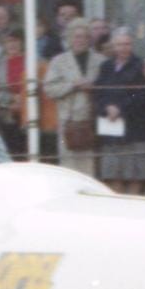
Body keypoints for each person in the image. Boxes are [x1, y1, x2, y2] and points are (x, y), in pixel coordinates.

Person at [92, 27, 145, 195]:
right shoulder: (106, 66)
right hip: (111, 129)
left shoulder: (140, 65)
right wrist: (107, 108)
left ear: (132, 45)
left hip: (134, 129)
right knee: (113, 176)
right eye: (119, 44)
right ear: (113, 46)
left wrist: (120, 108)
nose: (123, 48)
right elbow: (98, 92)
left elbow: (141, 94)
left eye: (127, 44)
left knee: (135, 177)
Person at [43, 18, 105, 177]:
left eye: (84, 36)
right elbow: (49, 88)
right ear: (70, 39)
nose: (80, 40)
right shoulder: (59, 61)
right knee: (69, 168)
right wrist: (72, 85)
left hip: (92, 120)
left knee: (91, 167)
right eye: (76, 36)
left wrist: (94, 87)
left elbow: (108, 88)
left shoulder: (100, 60)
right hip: (68, 121)